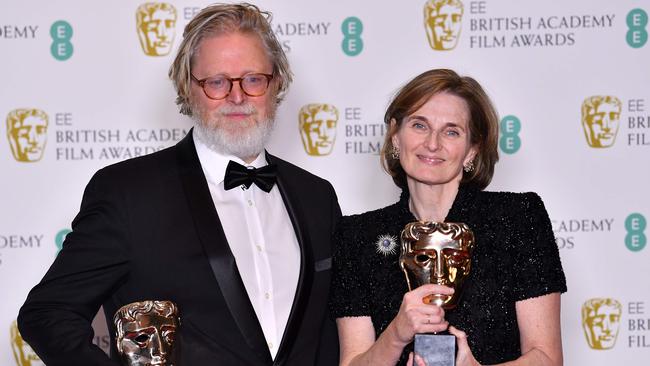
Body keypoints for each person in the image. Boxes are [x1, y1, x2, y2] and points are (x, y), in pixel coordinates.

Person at [18, 3, 341, 365]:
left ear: (276, 82)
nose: (237, 97)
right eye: (216, 82)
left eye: (253, 79)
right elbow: (46, 313)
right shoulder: (129, 193)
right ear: (188, 88)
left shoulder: (317, 197)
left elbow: (330, 331)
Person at [329, 69, 567, 366]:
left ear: (472, 150)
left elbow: (547, 358)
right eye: (419, 125)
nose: (432, 143)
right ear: (395, 135)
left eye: (451, 131)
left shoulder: (518, 218)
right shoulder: (357, 236)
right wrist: (396, 334)